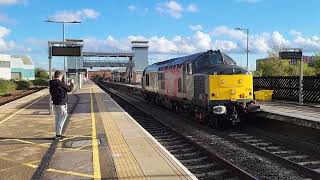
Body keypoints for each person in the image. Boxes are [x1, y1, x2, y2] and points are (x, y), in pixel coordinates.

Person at [49, 70, 74, 139]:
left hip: (55, 103)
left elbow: (62, 88)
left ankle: (57, 134)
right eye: (62, 76)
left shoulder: (52, 83)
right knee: (62, 118)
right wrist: (72, 83)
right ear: (60, 76)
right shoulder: (60, 83)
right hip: (61, 104)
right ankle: (58, 135)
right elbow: (69, 89)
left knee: (57, 118)